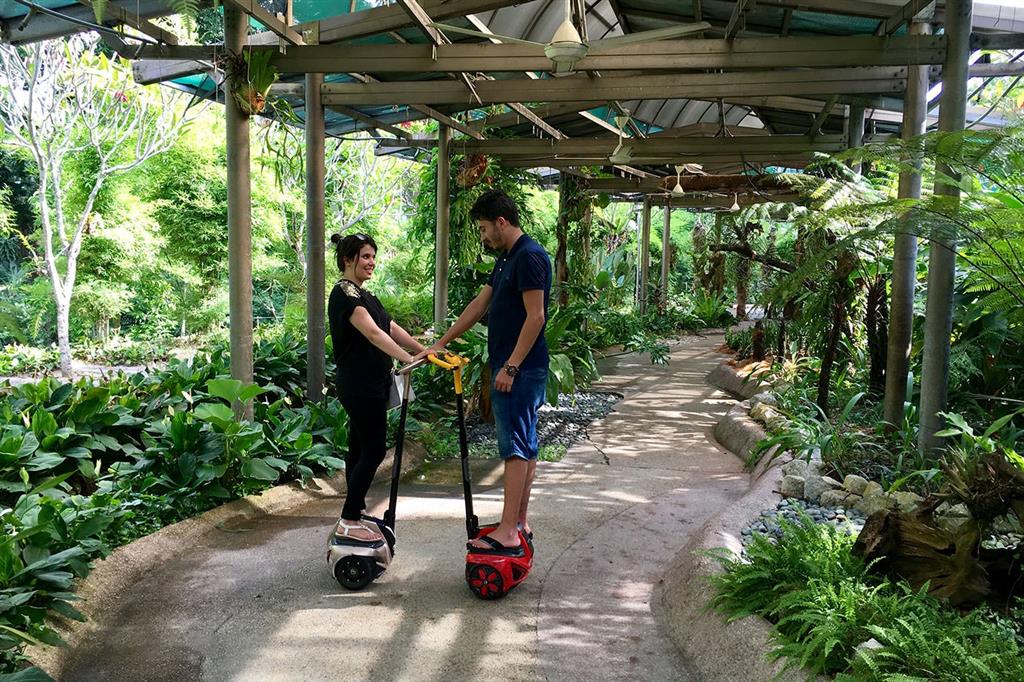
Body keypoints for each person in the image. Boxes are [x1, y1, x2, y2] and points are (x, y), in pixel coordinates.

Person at [417, 189, 551, 554]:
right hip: (515, 367)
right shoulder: (508, 258)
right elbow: (479, 305)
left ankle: (509, 530)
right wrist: (441, 342)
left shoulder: (530, 257)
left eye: (483, 229)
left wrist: (511, 366)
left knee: (515, 449)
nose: (482, 236)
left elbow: (536, 317)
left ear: (501, 223)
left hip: (520, 370)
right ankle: (518, 522)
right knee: (525, 445)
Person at [328, 232, 425, 543]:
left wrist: (424, 350)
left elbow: (390, 327)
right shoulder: (345, 293)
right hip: (360, 385)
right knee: (374, 449)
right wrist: (408, 357)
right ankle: (349, 517)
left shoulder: (365, 294)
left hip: (371, 384)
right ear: (348, 260)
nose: (371, 262)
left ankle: (354, 510)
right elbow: (372, 334)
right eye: (365, 256)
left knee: (359, 448)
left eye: (373, 256)